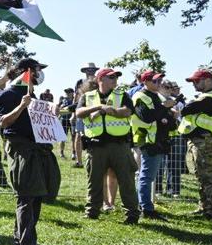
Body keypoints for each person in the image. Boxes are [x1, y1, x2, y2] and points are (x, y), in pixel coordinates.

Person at [0, 58, 61, 245]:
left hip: (38, 149)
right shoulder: (9, 94)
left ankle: (23, 240)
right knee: (26, 197)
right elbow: (3, 122)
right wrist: (21, 107)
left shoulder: (34, 96)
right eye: (36, 70)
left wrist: (52, 114)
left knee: (37, 196)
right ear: (26, 72)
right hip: (21, 150)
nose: (39, 74)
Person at [76, 68, 140, 223]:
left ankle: (132, 214)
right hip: (96, 146)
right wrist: (98, 107)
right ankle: (92, 211)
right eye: (111, 77)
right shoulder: (88, 96)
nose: (115, 79)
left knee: (127, 181)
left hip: (120, 146)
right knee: (94, 181)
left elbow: (127, 111)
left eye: (116, 77)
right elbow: (79, 113)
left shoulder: (122, 95)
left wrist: (107, 111)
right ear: (100, 79)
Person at [178, 69, 212, 221]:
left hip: (206, 142)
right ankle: (204, 207)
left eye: (196, 81)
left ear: (208, 80)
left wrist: (181, 107)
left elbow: (187, 109)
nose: (194, 84)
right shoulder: (207, 97)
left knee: (208, 177)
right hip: (200, 141)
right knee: (201, 176)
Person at [131, 70, 177, 220]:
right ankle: (146, 209)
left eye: (160, 81)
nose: (159, 83)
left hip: (158, 140)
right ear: (145, 82)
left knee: (148, 176)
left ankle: (143, 206)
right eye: (155, 81)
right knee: (146, 177)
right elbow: (147, 117)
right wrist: (164, 108)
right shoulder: (140, 96)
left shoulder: (156, 96)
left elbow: (168, 120)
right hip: (148, 141)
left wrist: (165, 116)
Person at [57, 88, 76, 158]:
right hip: (64, 120)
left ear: (72, 93)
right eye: (66, 92)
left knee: (73, 137)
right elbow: (59, 110)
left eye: (68, 92)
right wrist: (58, 117)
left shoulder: (75, 100)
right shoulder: (63, 100)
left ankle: (74, 153)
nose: (67, 94)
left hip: (73, 121)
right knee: (63, 138)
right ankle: (61, 153)